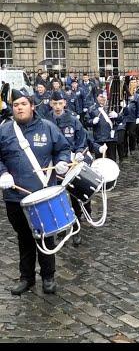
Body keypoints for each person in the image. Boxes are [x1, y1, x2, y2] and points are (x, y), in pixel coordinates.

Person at [0, 89, 72, 295]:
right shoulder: (4, 131)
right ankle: (27, 278)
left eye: (23, 104)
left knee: (46, 237)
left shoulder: (48, 128)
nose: (19, 108)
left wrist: (61, 162)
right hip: (15, 197)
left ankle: (48, 277)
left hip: (42, 196)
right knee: (24, 237)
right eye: (15, 105)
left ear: (32, 106)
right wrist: (2, 173)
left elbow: (63, 149)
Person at [47, 91, 94, 247]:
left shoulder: (73, 120)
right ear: (50, 104)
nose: (58, 106)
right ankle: (61, 227)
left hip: (71, 163)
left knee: (74, 197)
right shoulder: (45, 121)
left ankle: (76, 228)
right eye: (55, 104)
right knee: (57, 198)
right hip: (54, 166)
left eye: (60, 103)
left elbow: (82, 139)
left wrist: (80, 152)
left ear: (64, 103)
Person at [87, 91, 119, 162]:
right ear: (97, 97)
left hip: (111, 137)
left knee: (112, 159)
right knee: (99, 160)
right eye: (101, 96)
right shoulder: (92, 109)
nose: (103, 98)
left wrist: (117, 116)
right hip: (99, 138)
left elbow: (121, 120)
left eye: (104, 96)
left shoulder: (112, 107)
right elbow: (86, 121)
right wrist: (92, 121)